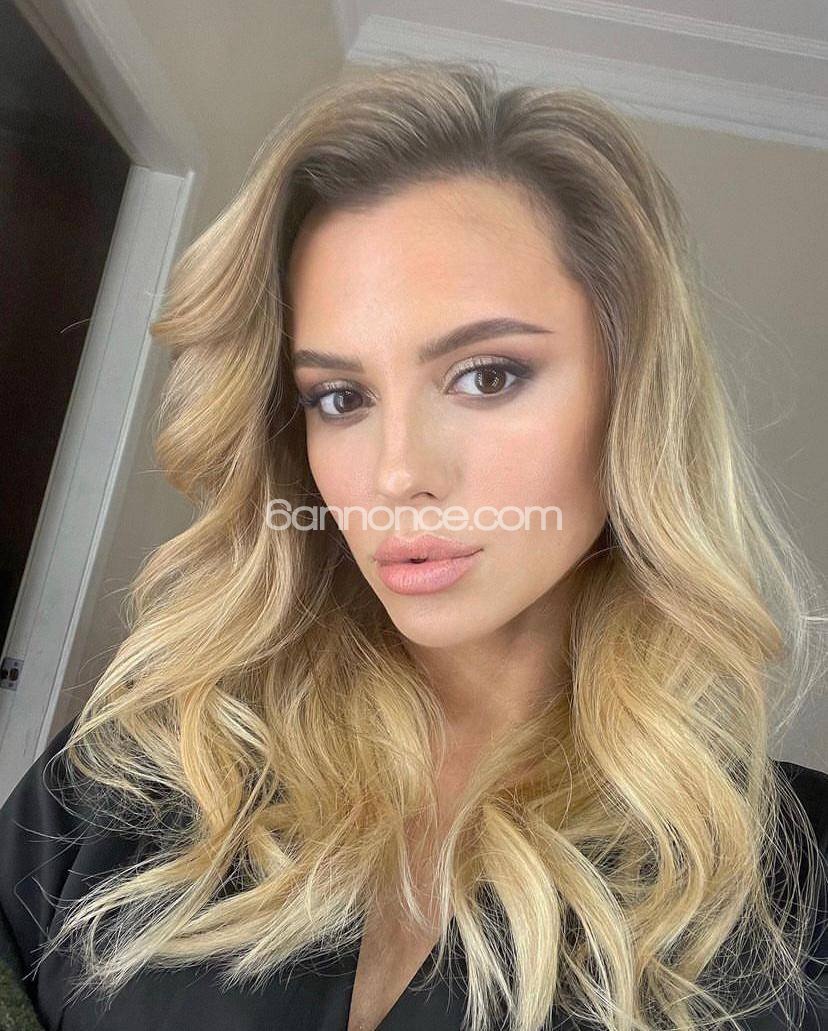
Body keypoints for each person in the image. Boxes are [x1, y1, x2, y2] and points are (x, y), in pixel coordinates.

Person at [0, 57, 826, 1031]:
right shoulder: (134, 771)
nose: (397, 474)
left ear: (633, 395)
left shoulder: (795, 886)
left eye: (487, 376)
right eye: (340, 397)